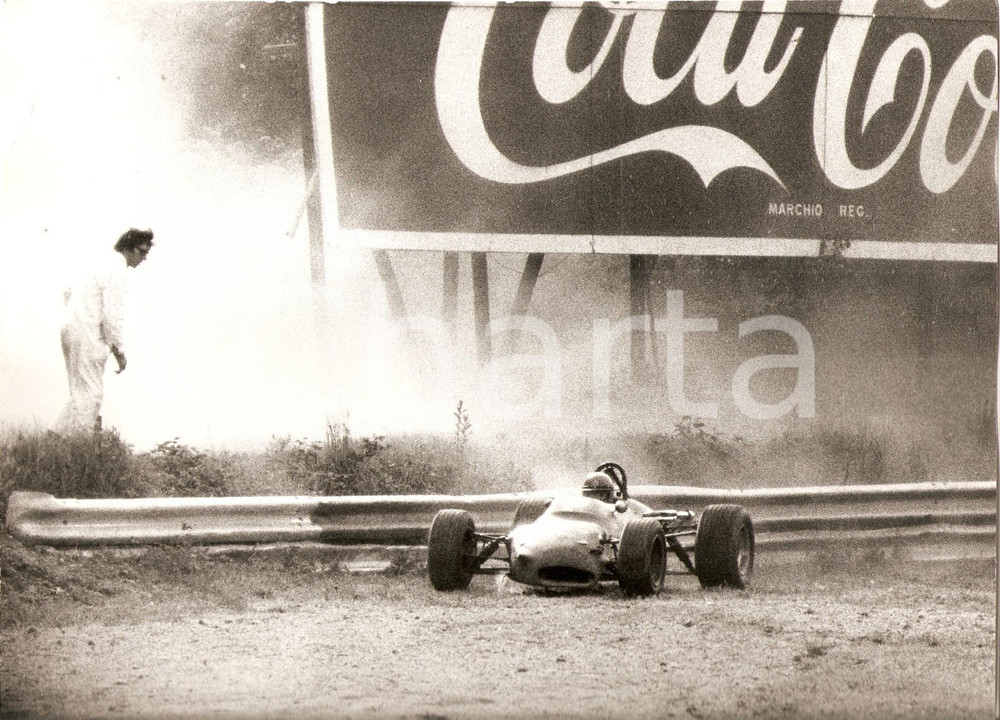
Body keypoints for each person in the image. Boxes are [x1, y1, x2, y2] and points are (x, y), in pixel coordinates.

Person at [53, 228, 154, 434]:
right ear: (128, 248)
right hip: (88, 333)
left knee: (80, 392)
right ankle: (81, 453)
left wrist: (79, 315)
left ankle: (52, 438)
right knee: (91, 394)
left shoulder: (98, 263)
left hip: (71, 328)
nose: (144, 258)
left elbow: (67, 290)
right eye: (141, 251)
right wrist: (120, 352)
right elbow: (112, 317)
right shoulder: (119, 273)